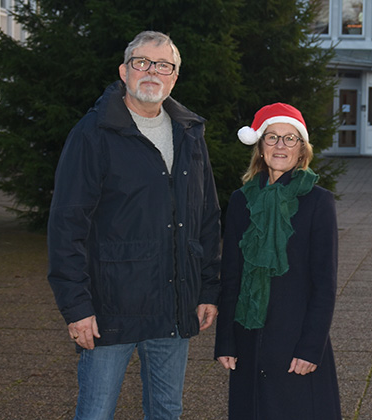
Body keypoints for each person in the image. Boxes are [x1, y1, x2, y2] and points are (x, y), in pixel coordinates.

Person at [47, 30, 221, 420]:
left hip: (173, 306)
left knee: (167, 410)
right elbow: (66, 225)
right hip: (110, 309)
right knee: (95, 411)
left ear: (175, 76)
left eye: (163, 65)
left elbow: (206, 216)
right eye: (141, 63)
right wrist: (76, 307)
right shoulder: (93, 134)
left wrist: (208, 288)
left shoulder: (190, 134)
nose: (151, 72)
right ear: (124, 71)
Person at [214, 103, 341, 419]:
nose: (280, 146)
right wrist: (226, 341)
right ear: (259, 146)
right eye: (272, 137)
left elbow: (325, 284)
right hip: (248, 340)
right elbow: (231, 275)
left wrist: (311, 347)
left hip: (295, 342)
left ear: (302, 150)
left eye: (290, 138)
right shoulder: (242, 200)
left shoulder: (318, 202)